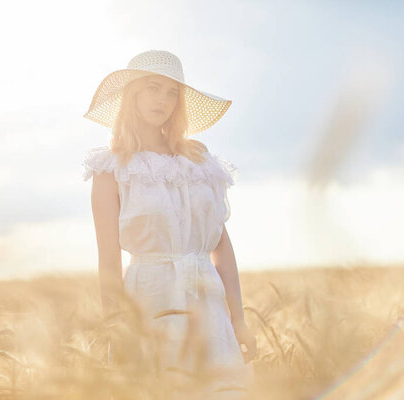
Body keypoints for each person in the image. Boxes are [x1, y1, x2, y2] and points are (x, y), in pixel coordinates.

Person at [81, 49, 256, 398]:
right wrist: (115, 325)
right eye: (152, 87)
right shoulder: (111, 169)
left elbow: (221, 246)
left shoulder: (199, 160)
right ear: (132, 94)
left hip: (206, 297)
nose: (162, 99)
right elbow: (109, 260)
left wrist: (239, 319)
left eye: (172, 92)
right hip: (148, 296)